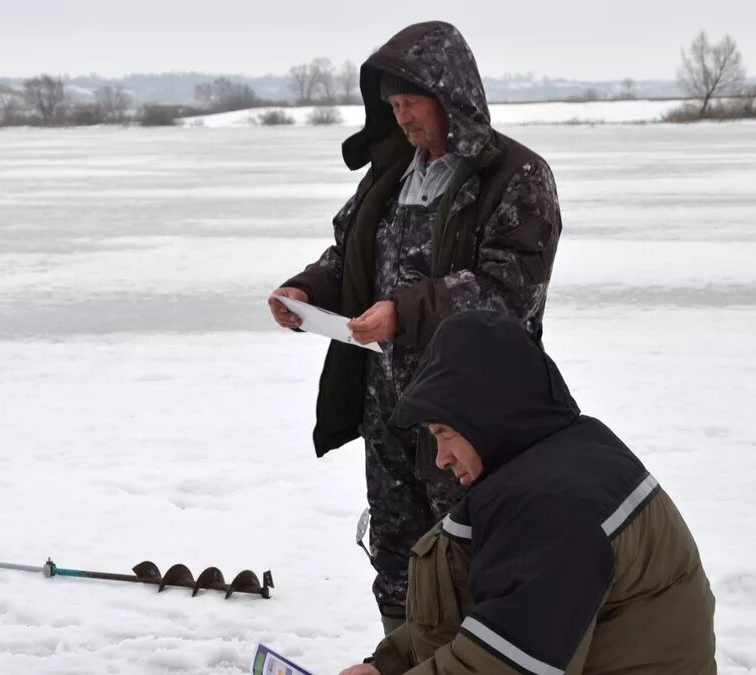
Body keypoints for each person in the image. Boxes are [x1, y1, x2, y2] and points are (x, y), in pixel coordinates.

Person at [268, 21, 563, 633]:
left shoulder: (516, 176)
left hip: (473, 419)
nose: (401, 117)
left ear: (450, 95)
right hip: (391, 415)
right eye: (393, 105)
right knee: (398, 565)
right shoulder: (391, 174)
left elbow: (510, 294)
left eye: (411, 102)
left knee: (473, 561)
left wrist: (404, 311)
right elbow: (349, 256)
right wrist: (306, 292)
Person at [338, 311, 716, 675]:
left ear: (485, 412)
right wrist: (386, 665)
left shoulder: (553, 507)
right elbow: (491, 610)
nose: (441, 459)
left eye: (444, 433)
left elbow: (505, 664)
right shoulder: (555, 459)